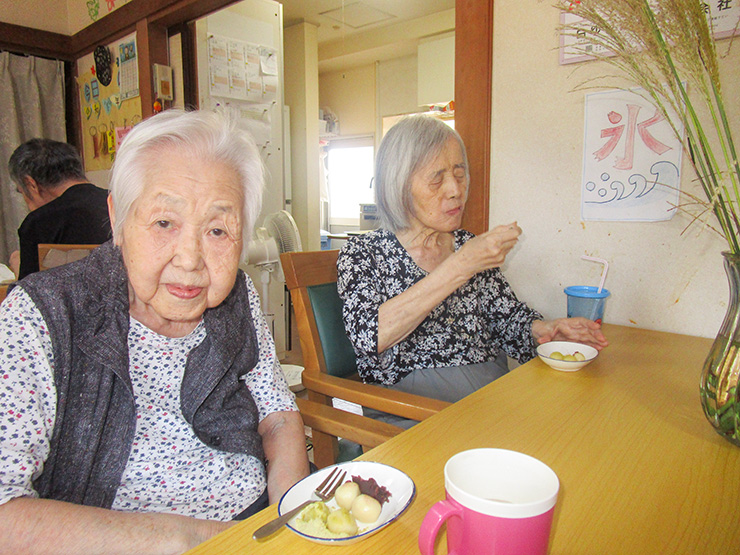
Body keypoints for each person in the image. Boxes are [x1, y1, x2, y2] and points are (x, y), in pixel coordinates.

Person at [0, 110, 309, 553]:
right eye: (165, 222)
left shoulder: (237, 295)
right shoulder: (41, 313)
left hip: (256, 529)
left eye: (218, 229)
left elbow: (279, 416)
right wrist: (202, 540)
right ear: (118, 219)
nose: (190, 259)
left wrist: (290, 525)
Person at [337, 116, 608, 428]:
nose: (455, 190)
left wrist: (544, 331)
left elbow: (507, 319)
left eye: (459, 174)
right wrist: (462, 264)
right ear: (398, 185)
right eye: (436, 179)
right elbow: (371, 337)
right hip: (415, 411)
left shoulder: (467, 244)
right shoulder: (363, 253)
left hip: (489, 395)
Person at [7, 138, 112, 279]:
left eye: (21, 191)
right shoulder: (119, 203)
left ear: (31, 184)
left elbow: (30, 297)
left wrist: (19, 267)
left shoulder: (38, 223)